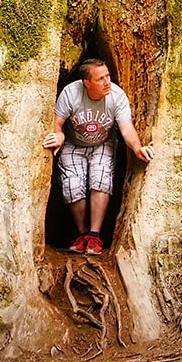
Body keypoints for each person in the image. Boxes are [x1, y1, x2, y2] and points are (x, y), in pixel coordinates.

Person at [42, 58, 154, 255]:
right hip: (73, 144)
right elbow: (56, 122)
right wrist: (58, 135)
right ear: (87, 83)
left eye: (108, 76)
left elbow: (126, 128)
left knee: (100, 179)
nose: (107, 82)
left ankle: (94, 236)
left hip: (103, 143)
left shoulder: (116, 96)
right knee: (72, 185)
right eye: (100, 78)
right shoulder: (71, 93)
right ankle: (82, 234)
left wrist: (137, 148)